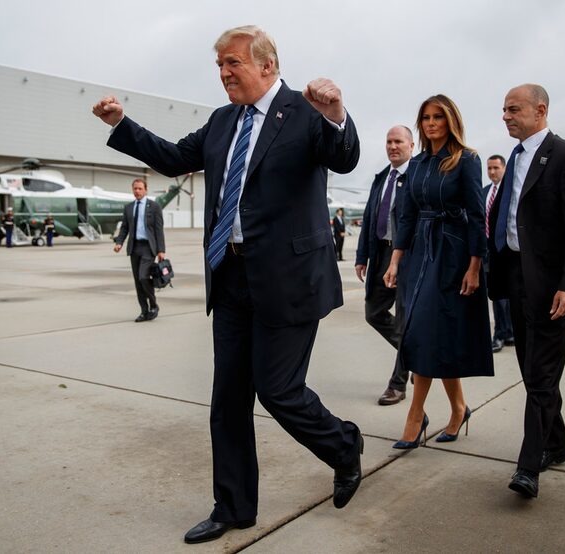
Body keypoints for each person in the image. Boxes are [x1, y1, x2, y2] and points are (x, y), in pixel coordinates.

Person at [93, 24, 363, 544]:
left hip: (289, 279)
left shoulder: (303, 112)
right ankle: (234, 507)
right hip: (232, 273)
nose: (223, 74)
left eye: (232, 64)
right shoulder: (222, 122)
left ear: (267, 65)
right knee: (229, 398)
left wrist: (334, 113)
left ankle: (344, 446)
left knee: (279, 391)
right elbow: (173, 158)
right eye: (219, 66)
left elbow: (344, 155)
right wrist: (122, 123)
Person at [488, 84, 565, 499]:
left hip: (554, 286)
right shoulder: (515, 159)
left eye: (513, 109)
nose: (505, 116)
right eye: (503, 110)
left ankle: (529, 465)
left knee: (540, 376)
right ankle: (557, 443)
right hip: (517, 277)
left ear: (541, 110)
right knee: (532, 371)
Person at [384, 95, 493, 450]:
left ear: (450, 121)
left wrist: (475, 266)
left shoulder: (467, 160)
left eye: (438, 118)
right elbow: (407, 215)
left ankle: (415, 416)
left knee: (428, 335)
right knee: (430, 335)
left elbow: (478, 216)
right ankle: (459, 408)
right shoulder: (416, 165)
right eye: (426, 118)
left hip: (453, 255)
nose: (431, 123)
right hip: (419, 253)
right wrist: (396, 260)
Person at [355, 125, 414, 406]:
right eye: (389, 141)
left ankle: (397, 384)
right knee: (374, 313)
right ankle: (414, 355)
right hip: (380, 255)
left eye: (398, 141)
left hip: (407, 258)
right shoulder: (382, 178)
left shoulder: (416, 176)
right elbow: (369, 218)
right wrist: (361, 256)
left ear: (411, 145)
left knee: (403, 321)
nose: (393, 146)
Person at [113, 178, 166, 322]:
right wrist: (119, 242)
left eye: (140, 188)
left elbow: (158, 230)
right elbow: (124, 228)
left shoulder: (154, 206)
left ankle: (153, 305)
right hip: (134, 247)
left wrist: (161, 250)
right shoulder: (129, 208)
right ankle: (144, 311)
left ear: (145, 190)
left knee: (144, 277)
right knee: (137, 281)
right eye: (135, 188)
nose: (137, 191)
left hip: (148, 248)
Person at [484, 155, 515, 352]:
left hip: (505, 252)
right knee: (496, 296)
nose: (492, 172)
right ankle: (507, 333)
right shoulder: (484, 192)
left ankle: (501, 334)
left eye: (496, 168)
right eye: (489, 168)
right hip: (486, 253)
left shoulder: (510, 190)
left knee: (504, 297)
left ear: (504, 168)